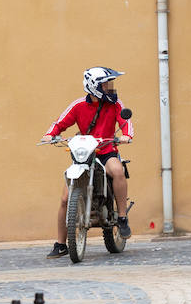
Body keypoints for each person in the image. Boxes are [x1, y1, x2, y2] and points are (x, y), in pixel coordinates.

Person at [40, 66, 134, 258]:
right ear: (94, 86)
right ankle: (60, 244)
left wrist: (126, 135)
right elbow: (60, 123)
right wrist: (51, 134)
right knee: (65, 199)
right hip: (84, 153)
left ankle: (122, 217)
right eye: (106, 84)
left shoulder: (115, 105)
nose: (110, 88)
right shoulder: (78, 106)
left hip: (106, 150)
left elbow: (126, 124)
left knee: (117, 171)